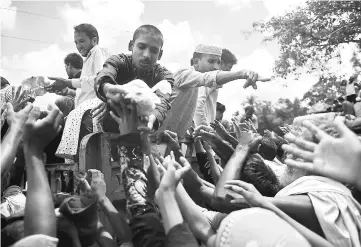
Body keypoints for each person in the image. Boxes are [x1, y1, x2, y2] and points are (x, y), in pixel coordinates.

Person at [157, 44, 266, 139]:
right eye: (211, 61)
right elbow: (207, 79)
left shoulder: (201, 83)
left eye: (218, 62)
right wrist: (241, 74)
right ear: (196, 62)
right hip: (158, 138)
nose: (215, 67)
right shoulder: (184, 74)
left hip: (174, 138)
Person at [46, 23, 111, 161]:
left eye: (82, 41)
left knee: (75, 116)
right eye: (76, 42)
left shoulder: (97, 51)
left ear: (94, 40)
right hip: (85, 104)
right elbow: (84, 92)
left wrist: (68, 82)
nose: (78, 45)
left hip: (95, 105)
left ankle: (82, 162)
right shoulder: (87, 59)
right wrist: (66, 90)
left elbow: (99, 80)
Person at [94, 24, 174, 133]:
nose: (146, 55)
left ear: (160, 54)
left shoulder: (164, 75)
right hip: (108, 124)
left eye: (154, 51)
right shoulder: (118, 61)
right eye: (141, 47)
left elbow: (163, 101)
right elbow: (104, 76)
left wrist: (153, 118)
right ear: (131, 45)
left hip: (140, 129)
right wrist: (107, 91)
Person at [194, 48, 238, 127]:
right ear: (221, 63)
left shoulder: (213, 82)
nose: (229, 72)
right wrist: (204, 129)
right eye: (229, 68)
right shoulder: (209, 79)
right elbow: (198, 104)